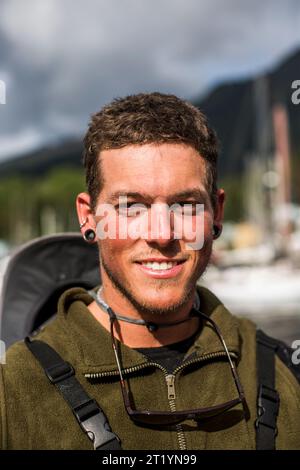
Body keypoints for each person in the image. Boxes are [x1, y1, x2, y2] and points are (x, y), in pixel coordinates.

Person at [0, 92, 299, 450]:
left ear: (216, 213)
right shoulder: (13, 390)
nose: (161, 234)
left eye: (185, 204)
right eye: (131, 206)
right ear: (88, 217)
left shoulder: (283, 372)